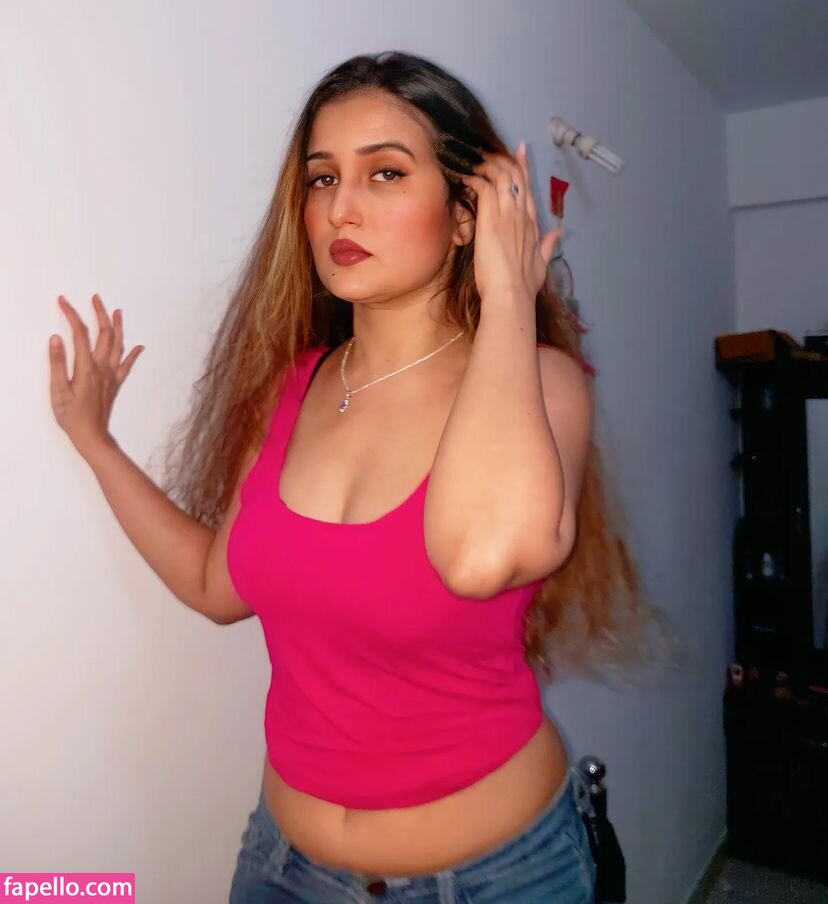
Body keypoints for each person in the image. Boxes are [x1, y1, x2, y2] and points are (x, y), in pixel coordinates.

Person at [48, 50, 666, 903]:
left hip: (497, 878)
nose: (341, 207)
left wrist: (507, 299)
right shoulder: (290, 390)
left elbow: (480, 558)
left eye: (385, 173)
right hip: (282, 868)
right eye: (322, 178)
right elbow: (216, 586)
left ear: (467, 214)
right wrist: (94, 443)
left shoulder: (541, 383)